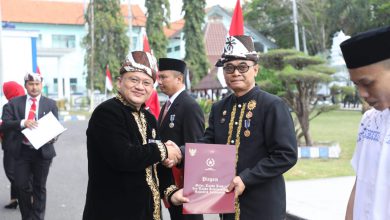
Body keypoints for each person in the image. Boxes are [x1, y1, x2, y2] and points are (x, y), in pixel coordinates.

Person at [198, 35, 298, 219]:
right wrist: (180, 152)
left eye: (243, 67)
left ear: (256, 70)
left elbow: (286, 155)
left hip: (262, 204)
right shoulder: (219, 108)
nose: (235, 73)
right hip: (227, 202)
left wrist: (247, 178)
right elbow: (209, 143)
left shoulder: (273, 105)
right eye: (229, 68)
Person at [83, 51, 188, 220]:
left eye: (147, 82)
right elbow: (124, 157)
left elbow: (159, 163)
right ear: (119, 82)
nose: (140, 87)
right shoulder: (107, 113)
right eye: (134, 80)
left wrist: (170, 193)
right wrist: (163, 149)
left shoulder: (149, 118)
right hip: (113, 212)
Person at [340, 26, 390, 220]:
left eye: (368, 83)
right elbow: (360, 182)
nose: (362, 94)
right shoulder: (369, 120)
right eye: (356, 85)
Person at [1, 72, 58, 220]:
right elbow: (5, 124)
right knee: (21, 186)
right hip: (22, 152)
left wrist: (53, 137)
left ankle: (38, 217)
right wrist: (22, 122)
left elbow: (55, 126)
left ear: (41, 85)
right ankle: (27, 217)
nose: (34, 87)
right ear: (25, 85)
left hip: (42, 152)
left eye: (37, 84)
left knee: (39, 187)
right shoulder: (14, 104)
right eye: (31, 84)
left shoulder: (50, 104)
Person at [157, 58, 205, 220]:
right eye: (159, 77)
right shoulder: (167, 105)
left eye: (164, 77)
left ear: (179, 79)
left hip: (184, 183)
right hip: (169, 182)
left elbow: (197, 146)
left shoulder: (189, 106)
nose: (159, 81)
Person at [1, 81, 26, 209]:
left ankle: (27, 194)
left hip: (11, 144)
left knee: (11, 171)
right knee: (18, 170)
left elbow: (6, 125)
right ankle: (14, 199)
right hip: (25, 143)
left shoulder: (9, 105)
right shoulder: (26, 102)